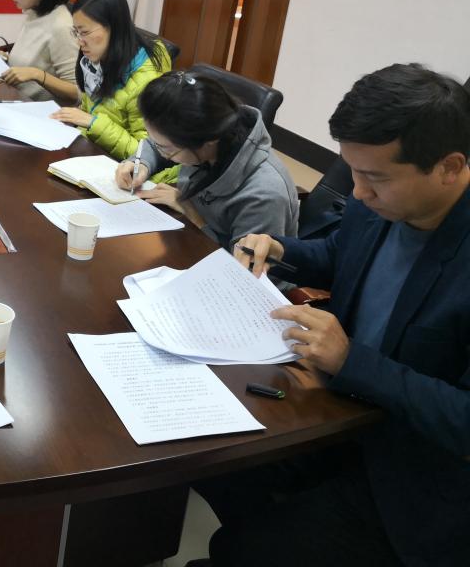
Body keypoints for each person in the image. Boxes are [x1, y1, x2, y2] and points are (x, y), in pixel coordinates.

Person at [197, 64, 470, 567]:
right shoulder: (379, 204)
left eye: (375, 178)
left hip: (408, 466)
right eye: (352, 171)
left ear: (449, 167)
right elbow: (344, 253)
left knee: (245, 547)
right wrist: (281, 248)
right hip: (334, 407)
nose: (358, 193)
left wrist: (352, 362)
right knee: (203, 460)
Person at [115, 70, 298, 250]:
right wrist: (141, 164)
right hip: (185, 238)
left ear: (208, 141)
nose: (160, 151)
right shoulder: (207, 134)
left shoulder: (264, 196)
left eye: (165, 149)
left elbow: (243, 265)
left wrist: (193, 215)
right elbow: (159, 142)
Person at [50, 0, 175, 172]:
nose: (79, 41)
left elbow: (147, 154)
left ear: (114, 28)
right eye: (76, 32)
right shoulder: (98, 60)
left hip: (125, 173)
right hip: (97, 157)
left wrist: (93, 123)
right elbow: (90, 110)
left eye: (85, 32)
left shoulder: (145, 81)